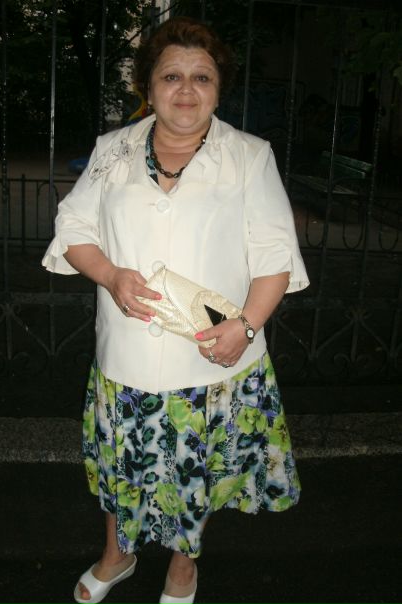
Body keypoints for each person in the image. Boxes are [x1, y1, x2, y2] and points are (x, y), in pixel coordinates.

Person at [42, 16, 309, 604]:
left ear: (218, 88)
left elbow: (275, 255)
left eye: (201, 77)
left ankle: (183, 567)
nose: (186, 90)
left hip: (215, 354)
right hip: (128, 353)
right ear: (149, 85)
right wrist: (110, 274)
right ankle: (118, 555)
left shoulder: (249, 156)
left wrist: (246, 326)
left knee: (198, 470)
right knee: (123, 465)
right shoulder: (113, 150)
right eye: (171, 76)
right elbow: (74, 226)